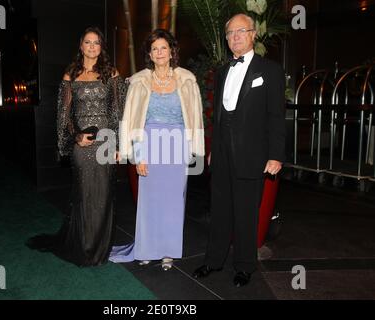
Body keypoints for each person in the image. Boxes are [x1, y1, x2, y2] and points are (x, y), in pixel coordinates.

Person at [192, 14, 286, 287]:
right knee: (220, 210)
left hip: (253, 155)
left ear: (253, 34)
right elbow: (219, 116)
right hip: (222, 154)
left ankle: (244, 266)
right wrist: (213, 150)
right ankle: (213, 260)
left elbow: (276, 117)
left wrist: (276, 154)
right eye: (230, 33)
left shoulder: (270, 71)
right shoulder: (222, 71)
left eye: (240, 31)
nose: (235, 37)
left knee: (246, 213)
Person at [27, 27, 126, 266]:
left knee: (103, 196)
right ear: (80, 46)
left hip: (105, 142)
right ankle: (84, 246)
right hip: (83, 145)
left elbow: (118, 112)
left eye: (96, 43)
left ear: (101, 47)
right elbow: (64, 115)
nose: (92, 47)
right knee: (84, 195)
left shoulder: (112, 73)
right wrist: (75, 138)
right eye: (88, 42)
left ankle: (99, 248)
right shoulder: (70, 75)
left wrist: (118, 144)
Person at [109, 29, 204, 270]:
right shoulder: (139, 81)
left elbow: (195, 117)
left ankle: (168, 251)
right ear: (149, 55)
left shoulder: (187, 79)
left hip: (177, 145)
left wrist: (194, 147)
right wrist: (137, 154)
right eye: (155, 49)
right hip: (149, 143)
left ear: (172, 51)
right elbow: (131, 120)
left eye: (164, 48)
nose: (160, 53)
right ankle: (147, 249)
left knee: (174, 201)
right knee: (149, 200)